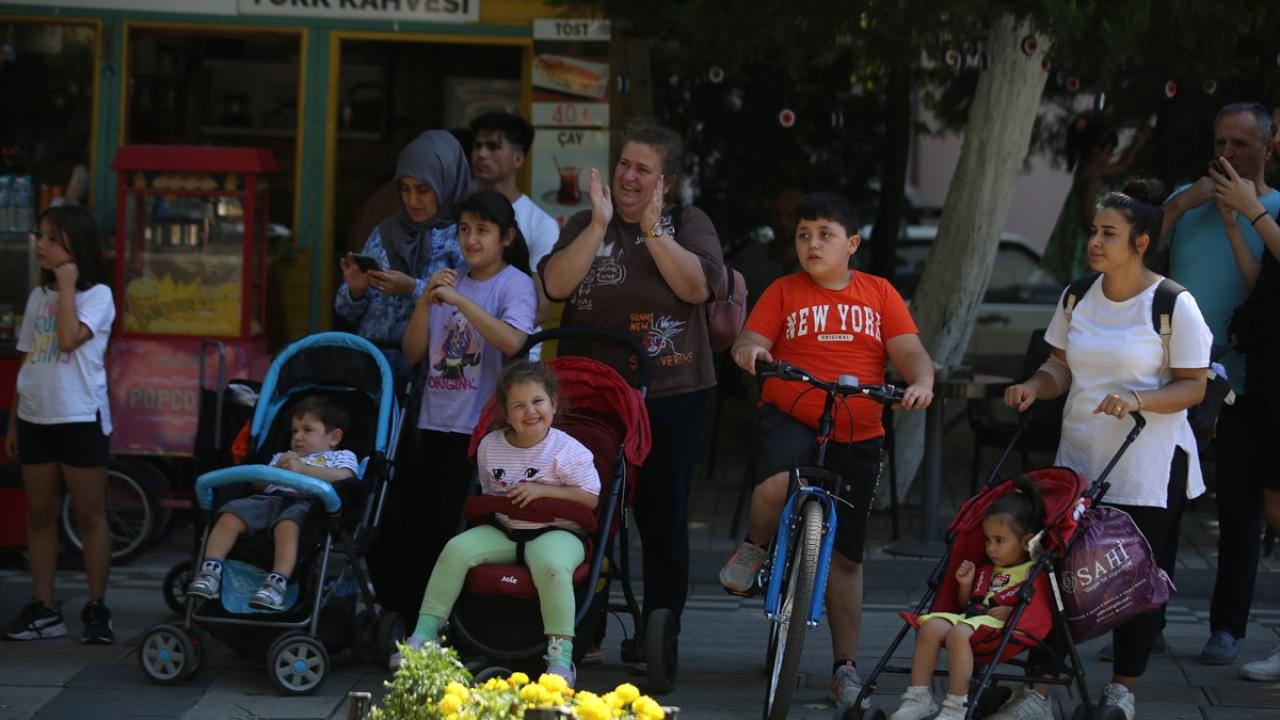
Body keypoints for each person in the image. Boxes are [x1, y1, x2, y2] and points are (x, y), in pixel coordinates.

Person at [1003, 179, 1211, 719]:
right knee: (1056, 575)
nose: (1095, 241)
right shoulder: (1077, 295)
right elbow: (1059, 367)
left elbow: (1194, 385)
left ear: (1141, 242)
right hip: (1078, 460)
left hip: (1147, 465)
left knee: (1134, 580)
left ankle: (1122, 691)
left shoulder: (1173, 303)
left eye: (1109, 233)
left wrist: (1137, 400)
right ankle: (1038, 693)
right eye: (1094, 230)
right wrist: (1035, 386)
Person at [718, 192, 935, 705]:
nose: (812, 244)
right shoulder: (784, 290)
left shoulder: (879, 293)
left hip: (859, 427)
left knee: (846, 557)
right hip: (792, 413)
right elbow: (749, 338)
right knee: (777, 482)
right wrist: (751, 350)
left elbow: (909, 350)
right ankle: (754, 546)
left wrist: (921, 382)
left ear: (852, 244)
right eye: (803, 235)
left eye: (825, 235)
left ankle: (845, 667)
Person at [539, 120, 725, 641]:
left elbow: (696, 288)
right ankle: (583, 627)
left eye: (644, 169)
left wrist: (651, 229)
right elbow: (556, 285)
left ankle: (660, 632)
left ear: (666, 181)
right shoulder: (585, 222)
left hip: (669, 393)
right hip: (589, 395)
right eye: (624, 164)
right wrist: (599, 226)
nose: (628, 176)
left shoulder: (688, 222)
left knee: (663, 520)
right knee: (583, 509)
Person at [389, 361, 598, 686]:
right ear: (505, 413)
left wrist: (542, 490)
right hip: (506, 529)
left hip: (557, 531)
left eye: (538, 402)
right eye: (519, 405)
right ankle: (424, 635)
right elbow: (491, 494)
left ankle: (560, 658)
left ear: (554, 404)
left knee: (552, 567)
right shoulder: (491, 446)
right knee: (456, 548)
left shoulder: (568, 450)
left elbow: (589, 498)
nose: (530, 411)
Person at [1159, 103, 1278, 667]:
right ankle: (1145, 623)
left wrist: (1242, 215)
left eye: (1240, 144)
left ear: (1267, 148)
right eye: (1220, 143)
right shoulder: (1187, 201)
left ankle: (1227, 628)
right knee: (1161, 505)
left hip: (1247, 382)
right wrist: (1186, 201)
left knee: (1238, 508)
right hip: (1174, 379)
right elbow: (1139, 244)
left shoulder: (1273, 210)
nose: (1226, 154)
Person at [397, 189, 537, 613]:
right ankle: (421, 617)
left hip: (481, 430)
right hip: (434, 421)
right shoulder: (448, 279)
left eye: (482, 230)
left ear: (507, 237)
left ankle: (459, 617)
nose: (471, 240)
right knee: (423, 526)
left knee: (460, 526)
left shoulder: (515, 283)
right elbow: (412, 353)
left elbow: (514, 341)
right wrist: (425, 301)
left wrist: (461, 301)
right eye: (463, 230)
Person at [3, 206, 116, 644]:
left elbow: (68, 340)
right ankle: (45, 607)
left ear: (75, 243)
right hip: (36, 416)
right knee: (39, 515)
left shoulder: (99, 295)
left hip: (80, 416)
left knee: (89, 515)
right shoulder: (38, 297)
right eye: (41, 236)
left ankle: (97, 607)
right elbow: (30, 358)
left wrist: (67, 286)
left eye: (52, 238)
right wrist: (14, 421)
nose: (41, 245)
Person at [1210, 108, 1280, 682]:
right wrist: (1235, 225)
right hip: (1263, 376)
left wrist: (1252, 211)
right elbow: (1264, 286)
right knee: (1267, 508)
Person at [890, 476, 1049, 720]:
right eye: (988, 540)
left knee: (958, 633)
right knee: (930, 626)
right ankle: (918, 697)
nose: (991, 548)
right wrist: (965, 585)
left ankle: (956, 706)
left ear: (1027, 541)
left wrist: (1013, 612)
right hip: (973, 619)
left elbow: (1038, 608)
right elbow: (969, 605)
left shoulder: (1031, 572)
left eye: (1000, 541)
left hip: (1004, 627)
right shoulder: (987, 569)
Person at [186, 396, 359, 611]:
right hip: (270, 500)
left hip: (309, 504)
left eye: (307, 430)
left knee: (287, 525)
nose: (298, 437)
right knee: (230, 515)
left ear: (334, 437)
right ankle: (210, 572)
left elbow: (345, 477)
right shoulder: (282, 457)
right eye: (294, 431)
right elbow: (258, 484)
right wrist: (276, 469)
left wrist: (303, 470)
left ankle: (276, 584)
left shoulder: (340, 456)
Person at [335, 129, 472, 381]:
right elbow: (346, 312)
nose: (412, 200)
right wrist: (356, 291)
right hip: (375, 371)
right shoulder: (385, 231)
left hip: (436, 377)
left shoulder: (465, 237)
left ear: (446, 183)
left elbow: (471, 309)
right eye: (405, 189)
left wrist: (413, 288)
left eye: (423, 189)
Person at [469, 112, 559, 350]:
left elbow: (541, 308)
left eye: (493, 146)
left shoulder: (540, 224)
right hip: (460, 353)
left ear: (518, 159)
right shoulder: (462, 215)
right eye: (477, 145)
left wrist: (487, 336)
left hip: (516, 356)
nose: (481, 153)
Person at [1041, 114, 1152, 284]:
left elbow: (1121, 165)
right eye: (1109, 152)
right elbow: (1087, 217)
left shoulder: (1089, 170)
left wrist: (1137, 142)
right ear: (1095, 150)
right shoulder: (1090, 177)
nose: (1111, 157)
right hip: (1081, 244)